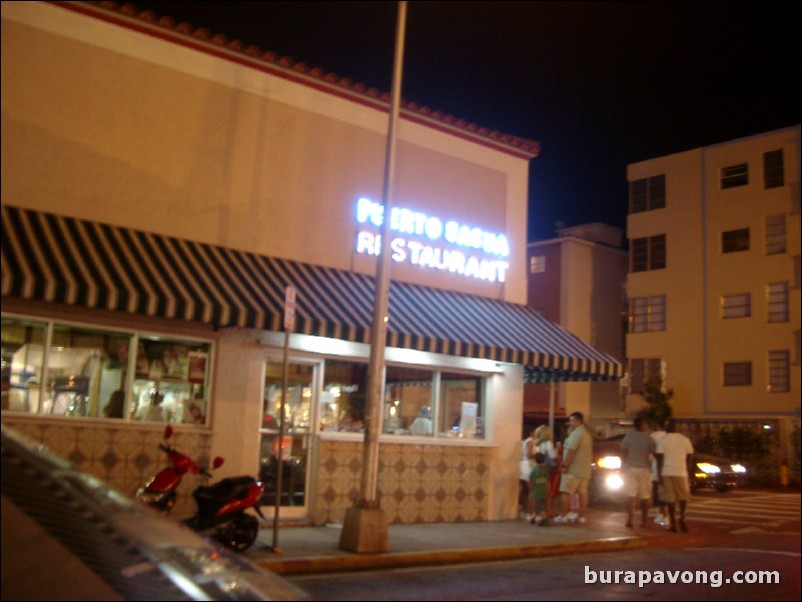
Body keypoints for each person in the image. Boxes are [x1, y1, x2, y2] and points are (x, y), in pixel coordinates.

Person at [555, 411, 594, 524]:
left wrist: (565, 465)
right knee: (583, 493)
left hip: (573, 470)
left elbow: (571, 451)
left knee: (566, 492)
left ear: (578, 421)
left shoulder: (577, 434)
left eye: (571, 420)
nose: (570, 423)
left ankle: (564, 515)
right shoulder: (587, 434)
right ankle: (582, 516)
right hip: (584, 470)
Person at [655, 419, 694, 533]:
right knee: (683, 497)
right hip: (681, 472)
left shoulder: (663, 440)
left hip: (667, 472)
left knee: (670, 499)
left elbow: (659, 458)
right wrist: (688, 471)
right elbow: (690, 456)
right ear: (677, 428)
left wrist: (659, 473)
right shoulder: (684, 440)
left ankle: (673, 522)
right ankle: (682, 517)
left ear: (667, 428)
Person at [621, 416, 655, 528]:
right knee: (645, 496)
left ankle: (630, 519)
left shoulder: (628, 437)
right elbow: (654, 452)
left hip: (630, 468)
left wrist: (622, 467)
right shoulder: (649, 438)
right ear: (642, 425)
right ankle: (644, 520)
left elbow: (624, 453)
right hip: (644, 469)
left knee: (631, 496)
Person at [533, 425, 560, 517]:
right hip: (547, 467)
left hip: (538, 466)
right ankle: (547, 511)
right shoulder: (548, 443)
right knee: (547, 490)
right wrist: (557, 450)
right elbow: (552, 456)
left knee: (538, 490)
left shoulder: (536, 443)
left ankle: (537, 511)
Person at [650, 419, 670, 528]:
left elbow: (650, 451)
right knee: (665, 492)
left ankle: (663, 515)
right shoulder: (668, 437)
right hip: (669, 467)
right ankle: (663, 514)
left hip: (656, 467)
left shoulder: (653, 436)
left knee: (658, 491)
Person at [519, 426, 537, 519]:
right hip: (529, 467)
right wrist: (538, 454)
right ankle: (531, 512)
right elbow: (529, 454)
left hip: (522, 466)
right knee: (532, 491)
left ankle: (524, 511)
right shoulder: (530, 440)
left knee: (524, 491)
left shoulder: (522, 441)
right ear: (531, 433)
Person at [529, 452, 550, 526]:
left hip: (536, 489)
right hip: (543, 489)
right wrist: (548, 490)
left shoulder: (534, 470)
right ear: (544, 460)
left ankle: (535, 516)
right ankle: (543, 516)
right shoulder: (544, 470)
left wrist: (532, 489)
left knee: (537, 504)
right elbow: (548, 481)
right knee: (542, 504)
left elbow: (531, 480)